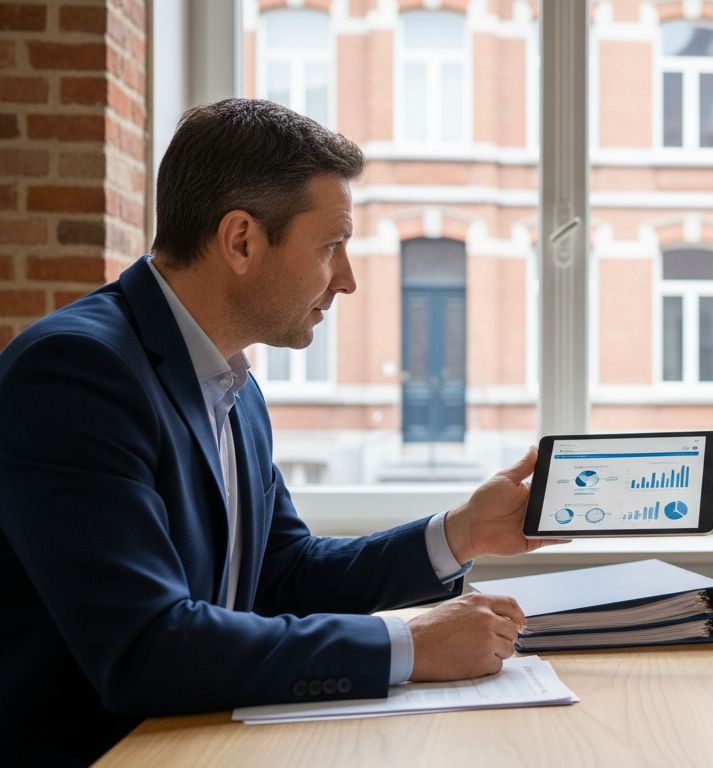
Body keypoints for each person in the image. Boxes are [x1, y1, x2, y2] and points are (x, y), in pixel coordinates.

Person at [0, 99, 566, 765]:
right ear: (241, 240)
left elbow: (285, 576)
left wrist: (459, 534)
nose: (347, 280)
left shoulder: (230, 381)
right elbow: (147, 647)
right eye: (330, 247)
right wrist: (407, 647)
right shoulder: (76, 374)